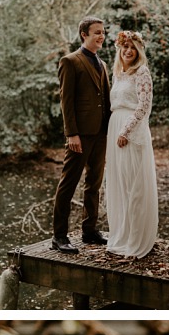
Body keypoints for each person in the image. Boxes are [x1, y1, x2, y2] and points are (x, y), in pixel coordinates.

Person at [53, 17, 111, 254]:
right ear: (83, 35)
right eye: (97, 32)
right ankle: (58, 237)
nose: (101, 36)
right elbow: (66, 102)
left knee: (94, 184)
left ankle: (89, 230)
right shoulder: (70, 61)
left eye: (103, 32)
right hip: (80, 135)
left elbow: (105, 100)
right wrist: (72, 134)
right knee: (68, 184)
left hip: (100, 133)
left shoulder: (103, 64)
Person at [105, 30, 158, 259]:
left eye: (133, 48)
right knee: (118, 183)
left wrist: (126, 131)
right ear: (119, 48)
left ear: (139, 51)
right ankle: (121, 235)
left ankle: (136, 240)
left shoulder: (142, 73)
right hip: (114, 126)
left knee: (133, 185)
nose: (128, 51)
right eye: (125, 47)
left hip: (131, 131)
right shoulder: (118, 73)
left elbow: (144, 106)